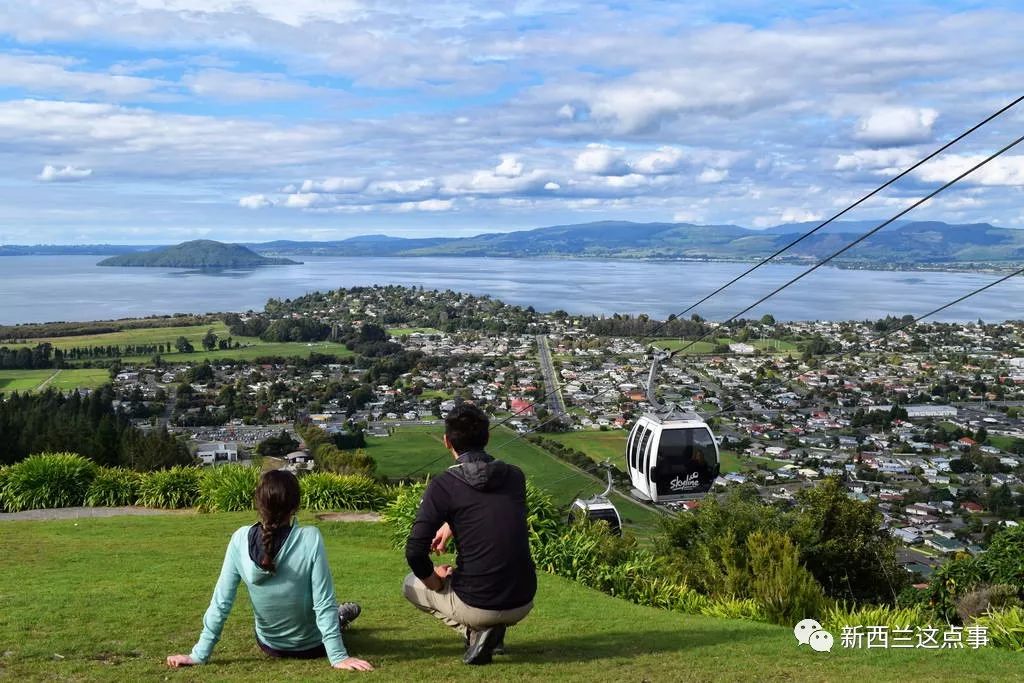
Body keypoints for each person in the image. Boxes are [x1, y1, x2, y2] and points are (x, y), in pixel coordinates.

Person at [166, 469, 373, 672]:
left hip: (270, 646)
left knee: (324, 611)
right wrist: (338, 657)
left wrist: (199, 654)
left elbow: (221, 603)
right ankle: (341, 616)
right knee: (332, 613)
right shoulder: (310, 537)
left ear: (258, 503)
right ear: (296, 506)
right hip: (312, 646)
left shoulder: (239, 539)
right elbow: (323, 602)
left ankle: (340, 616)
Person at [403, 403, 537, 665]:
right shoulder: (514, 477)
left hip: (478, 603)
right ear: (487, 438)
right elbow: (492, 513)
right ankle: (490, 635)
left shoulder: (444, 485)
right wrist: (451, 525)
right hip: (523, 598)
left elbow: (415, 551)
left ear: (446, 441)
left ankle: (475, 633)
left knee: (410, 584)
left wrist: (435, 582)